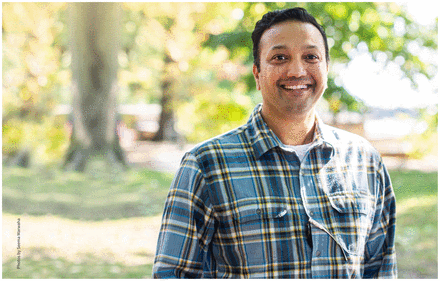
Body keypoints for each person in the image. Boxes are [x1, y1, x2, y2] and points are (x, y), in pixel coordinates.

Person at [153, 7, 397, 278]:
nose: (296, 70)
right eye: (280, 57)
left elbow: (381, 270)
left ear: (326, 69)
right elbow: (173, 274)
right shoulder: (206, 165)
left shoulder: (365, 160)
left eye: (310, 56)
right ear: (257, 74)